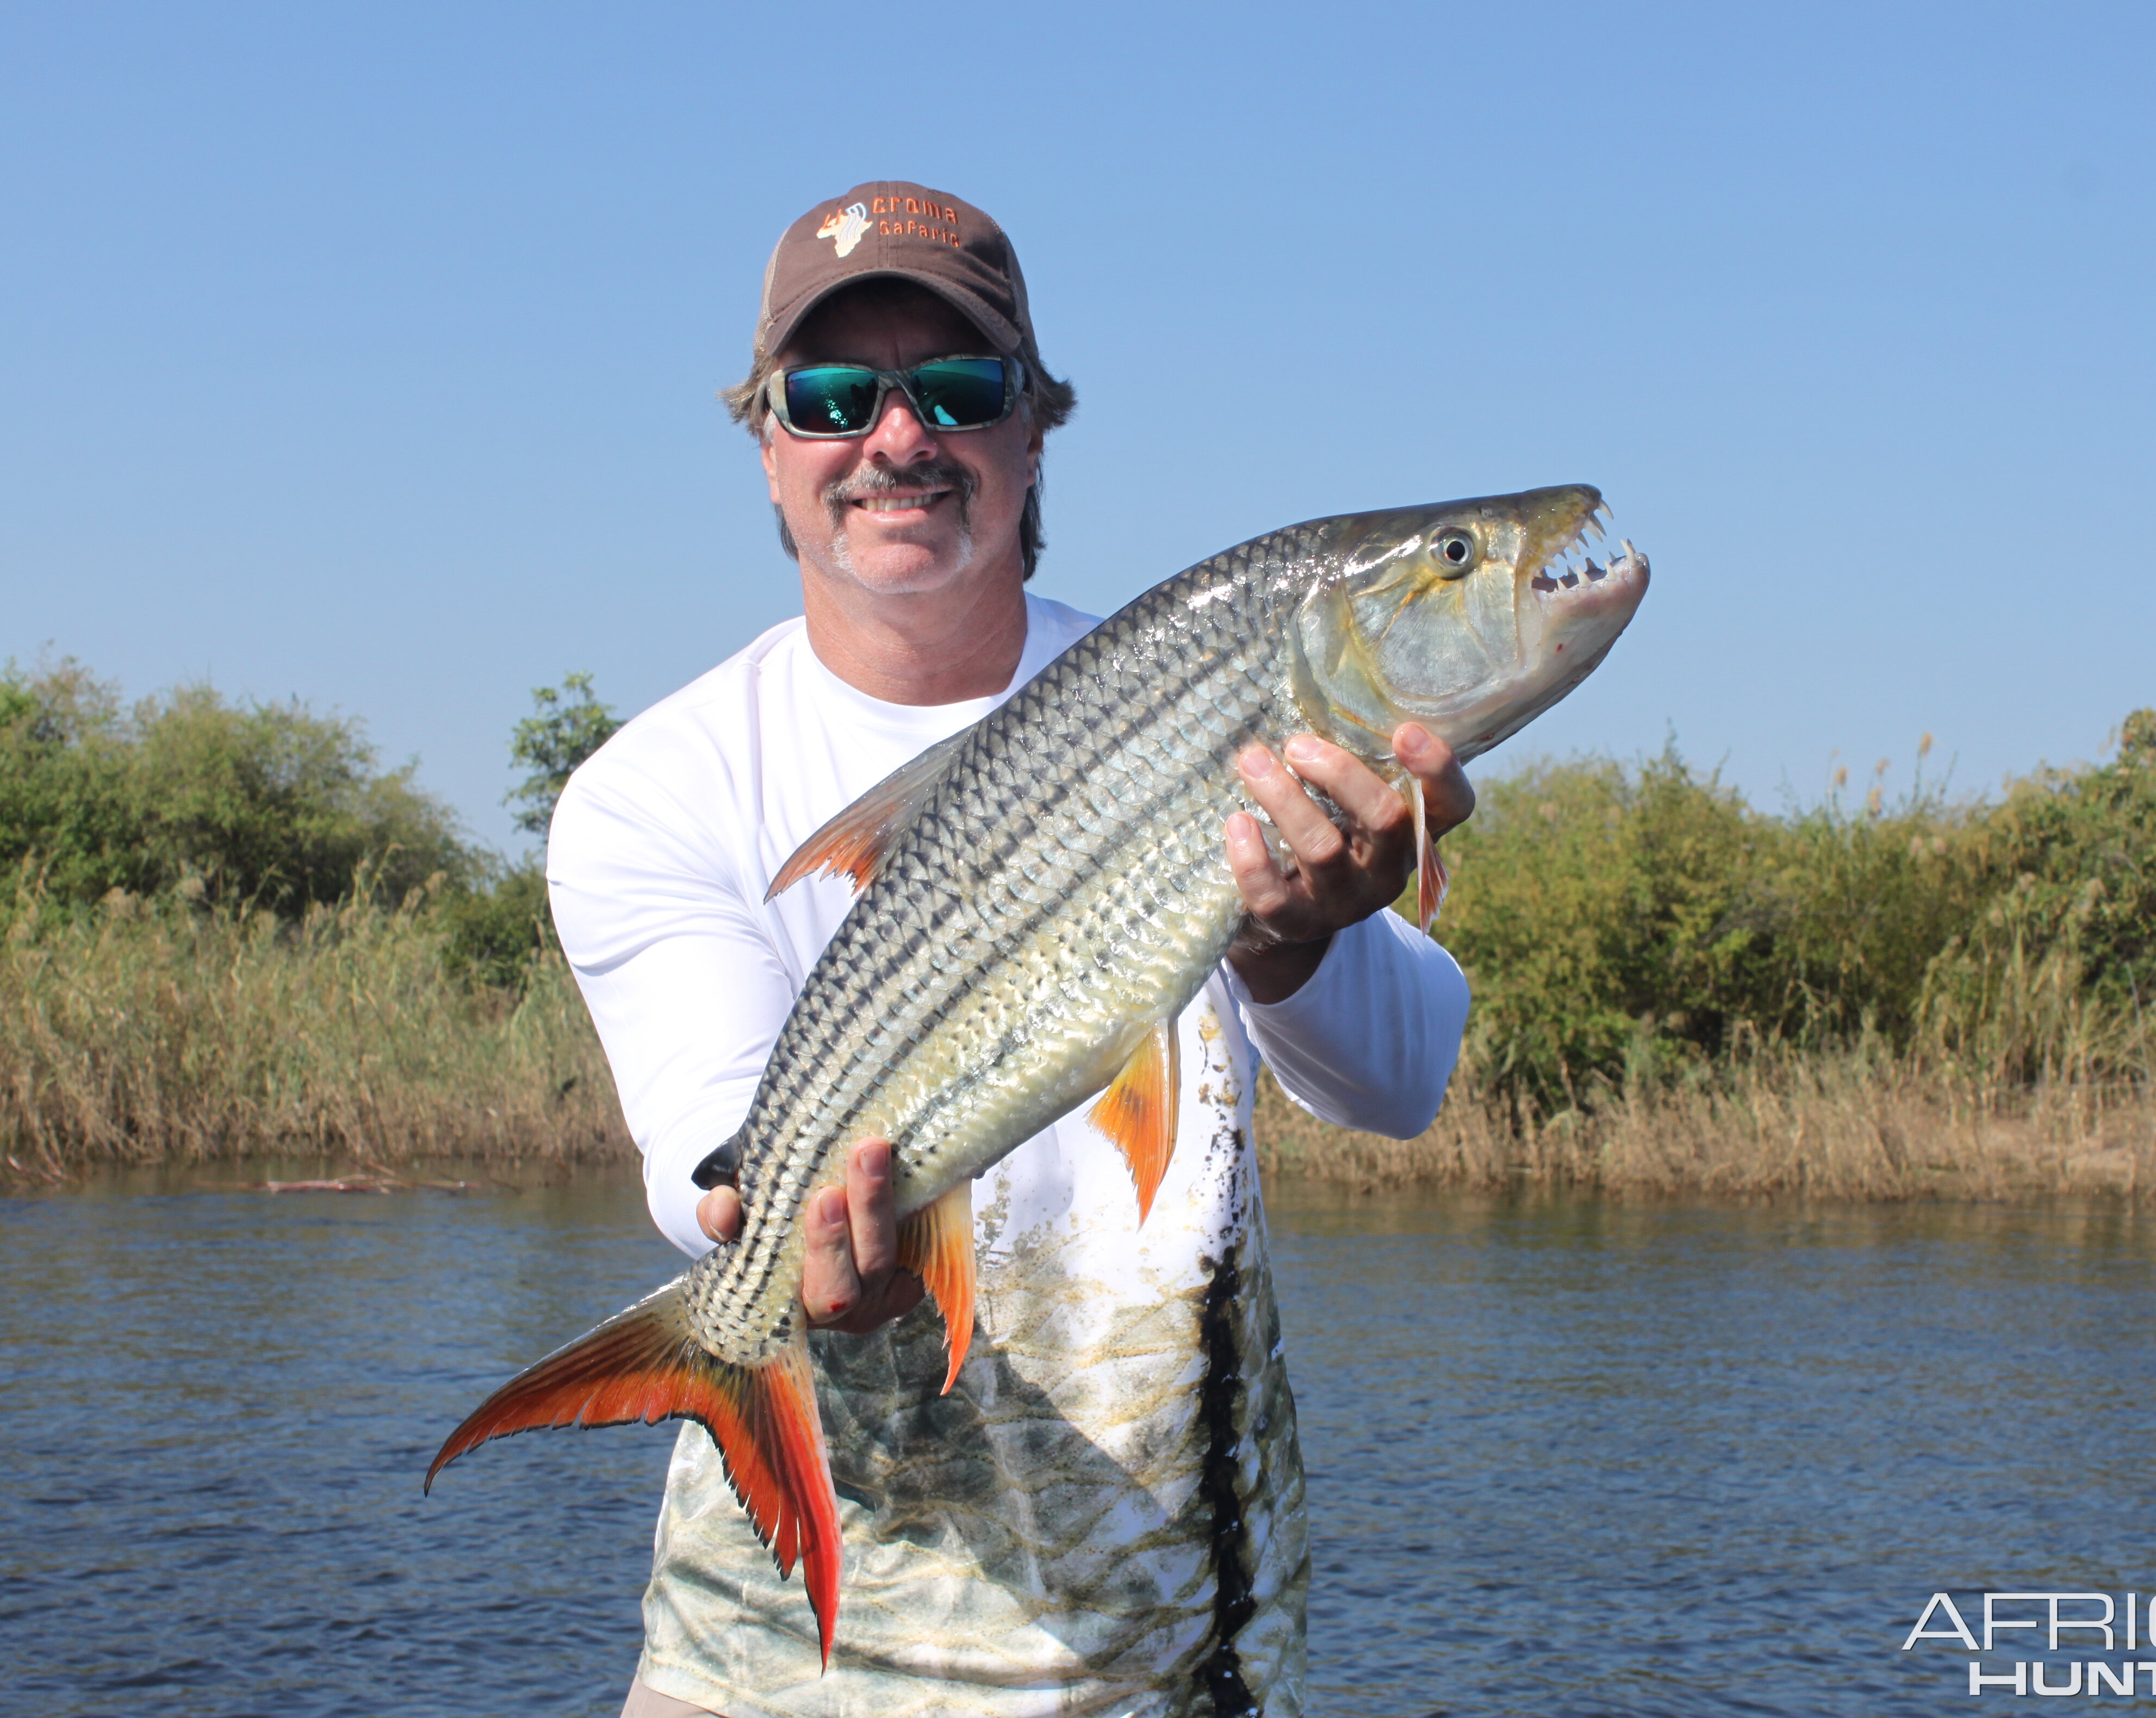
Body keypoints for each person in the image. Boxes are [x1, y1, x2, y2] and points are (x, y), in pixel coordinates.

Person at [547, 181, 1473, 1718]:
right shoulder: (656, 786)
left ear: (1035, 431)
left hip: (1181, 1654)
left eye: (959, 391)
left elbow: (1406, 1077)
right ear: (769, 449)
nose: (898, 439)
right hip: (781, 1669)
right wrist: (782, 1235)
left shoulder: (1207, 682)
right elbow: (707, 1156)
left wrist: (1298, 947)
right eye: (833, 397)